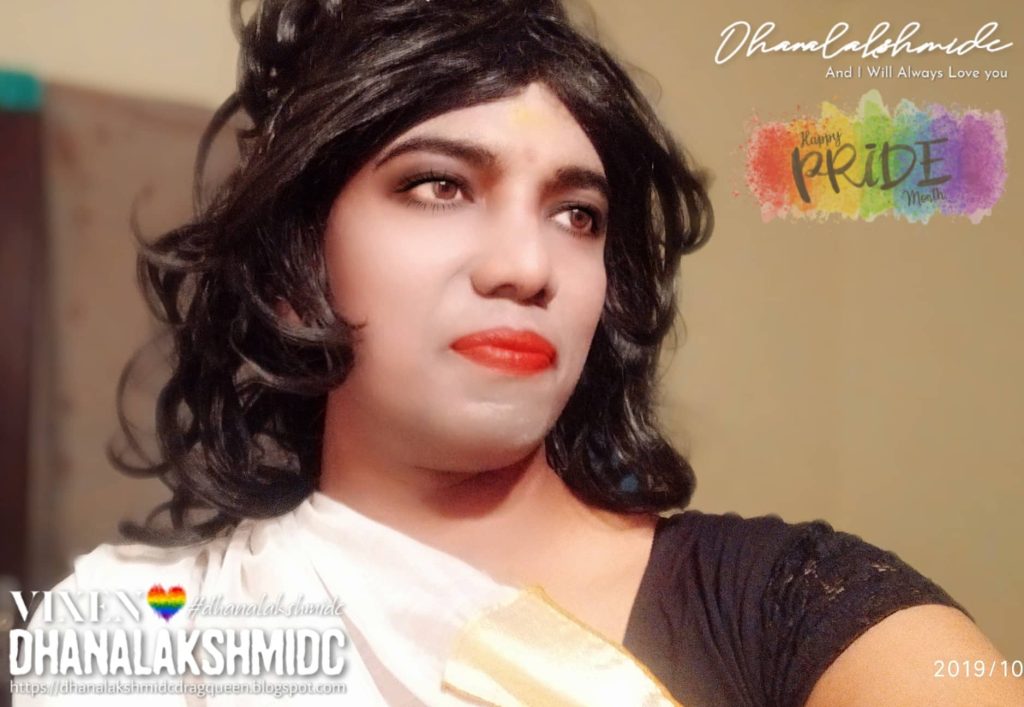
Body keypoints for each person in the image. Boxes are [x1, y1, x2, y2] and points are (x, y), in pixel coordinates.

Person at [15, 1, 1022, 705]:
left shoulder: (790, 604)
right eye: (439, 185)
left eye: (576, 214)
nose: (526, 265)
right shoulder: (141, 631)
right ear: (295, 266)